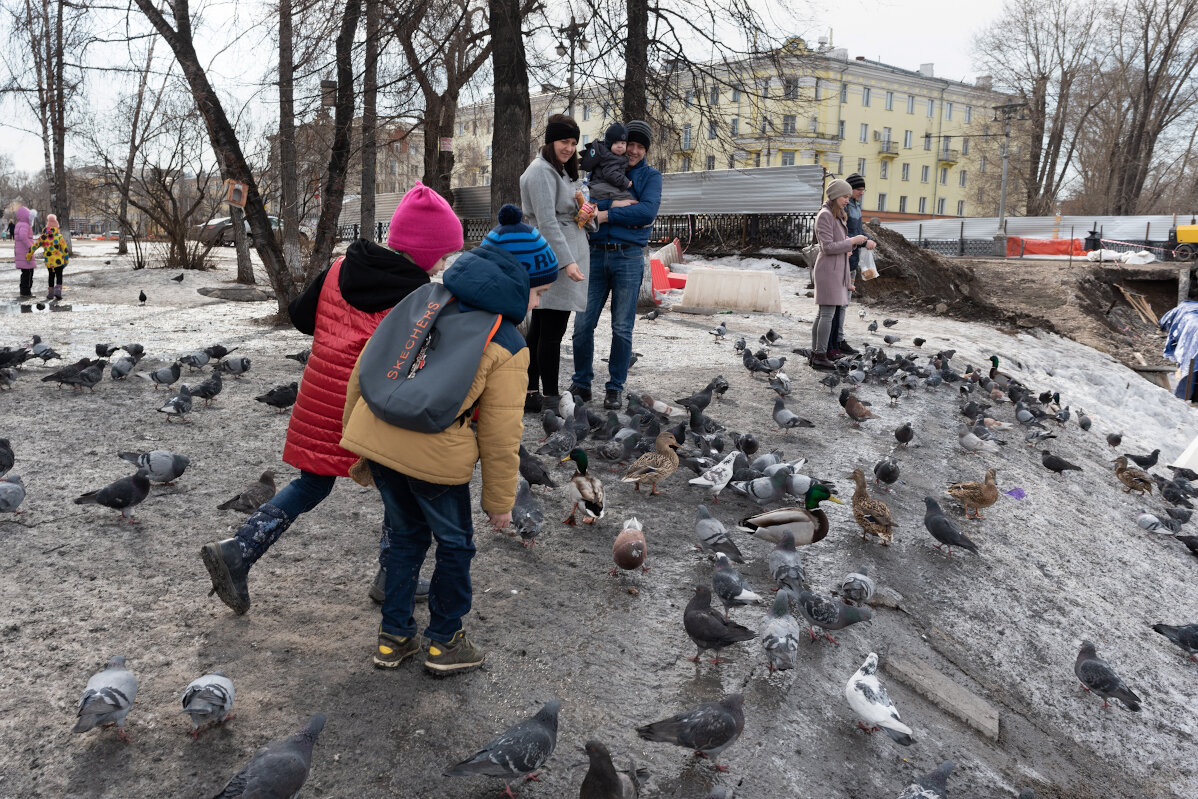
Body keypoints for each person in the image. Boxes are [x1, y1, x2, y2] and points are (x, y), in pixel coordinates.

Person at [200, 181, 463, 615]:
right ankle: (392, 575)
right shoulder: (420, 296)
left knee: (312, 483)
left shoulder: (342, 267)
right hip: (371, 409)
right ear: (425, 250)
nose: (443, 263)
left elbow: (302, 317)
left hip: (320, 401)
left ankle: (239, 551)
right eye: (443, 253)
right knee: (399, 489)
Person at [341, 205, 559, 675]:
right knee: (455, 545)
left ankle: (393, 638)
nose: (538, 304)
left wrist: (354, 440)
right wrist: (500, 502)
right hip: (434, 457)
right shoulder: (507, 343)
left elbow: (366, 367)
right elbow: (502, 436)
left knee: (404, 539)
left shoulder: (424, 297)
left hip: (381, 441)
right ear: (520, 283)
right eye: (540, 292)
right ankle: (445, 641)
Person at [570, 118, 662, 410]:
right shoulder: (601, 168)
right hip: (595, 253)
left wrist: (605, 215)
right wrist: (616, 206)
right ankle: (582, 383)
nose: (633, 150)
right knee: (583, 324)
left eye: (638, 146)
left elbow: (646, 213)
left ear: (645, 150)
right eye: (629, 144)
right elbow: (584, 209)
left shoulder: (651, 177)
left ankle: (614, 388)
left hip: (629, 257)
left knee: (622, 327)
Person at [519, 113, 590, 413]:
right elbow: (547, 222)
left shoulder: (561, 171)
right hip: (554, 259)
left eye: (574, 143)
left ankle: (532, 391)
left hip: (562, 254)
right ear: (550, 141)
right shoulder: (539, 172)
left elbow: (572, 213)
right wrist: (567, 263)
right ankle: (549, 395)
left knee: (541, 328)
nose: (570, 148)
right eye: (564, 141)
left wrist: (585, 211)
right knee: (551, 331)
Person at [810, 179, 867, 370]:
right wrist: (851, 242)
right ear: (835, 196)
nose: (846, 200)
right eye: (844, 196)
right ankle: (819, 355)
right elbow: (826, 247)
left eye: (849, 197)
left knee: (824, 314)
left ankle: (817, 353)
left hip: (834, 269)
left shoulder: (835, 215)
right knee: (826, 314)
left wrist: (847, 244)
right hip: (828, 270)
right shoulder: (825, 215)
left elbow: (835, 242)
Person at [828, 173, 878, 357]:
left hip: (853, 259)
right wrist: (864, 242)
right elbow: (845, 234)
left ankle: (838, 339)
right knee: (839, 303)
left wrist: (868, 239)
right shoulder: (843, 208)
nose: (862, 193)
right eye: (859, 190)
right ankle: (834, 342)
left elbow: (858, 231)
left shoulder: (855, 206)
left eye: (864, 190)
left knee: (844, 303)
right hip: (844, 258)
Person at [579, 123, 634, 202]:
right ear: (609, 144)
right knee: (628, 197)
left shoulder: (612, 156)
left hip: (600, 186)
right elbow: (610, 173)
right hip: (600, 186)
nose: (620, 146)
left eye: (623, 143)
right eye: (616, 143)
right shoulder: (610, 157)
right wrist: (625, 182)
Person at [26, 212, 68, 300]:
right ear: (56, 226)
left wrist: (29, 255)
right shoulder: (59, 237)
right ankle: (58, 292)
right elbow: (65, 249)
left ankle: (50, 294)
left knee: (51, 275)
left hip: (49, 261)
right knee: (59, 275)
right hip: (59, 261)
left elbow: (35, 246)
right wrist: (66, 260)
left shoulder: (43, 237)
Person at [13, 207, 33, 298]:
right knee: (28, 272)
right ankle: (26, 292)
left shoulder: (19, 224)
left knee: (25, 272)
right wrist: (31, 246)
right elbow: (23, 236)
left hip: (21, 252)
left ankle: (24, 290)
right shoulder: (25, 225)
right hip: (25, 253)